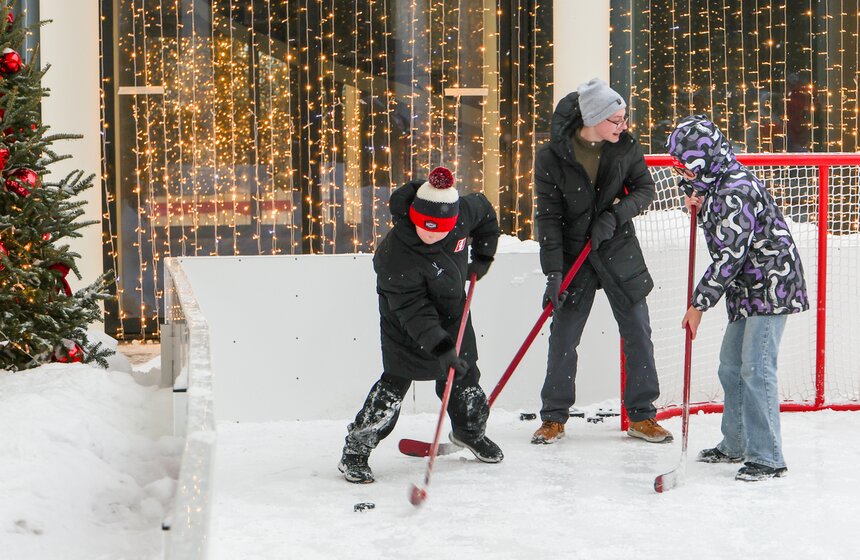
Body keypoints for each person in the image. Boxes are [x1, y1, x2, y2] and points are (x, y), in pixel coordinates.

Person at [338, 166, 504, 483]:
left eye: (440, 230)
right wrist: (441, 346)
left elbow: (485, 215)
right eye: (424, 228)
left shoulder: (463, 212)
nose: (430, 235)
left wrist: (482, 256)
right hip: (406, 324)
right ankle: (356, 450)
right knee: (394, 387)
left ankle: (470, 432)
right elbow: (413, 310)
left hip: (454, 311)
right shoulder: (394, 255)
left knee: (464, 379)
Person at [666, 114, 809, 482]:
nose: (680, 168)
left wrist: (698, 304)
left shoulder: (734, 187)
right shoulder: (714, 180)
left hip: (771, 285)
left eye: (684, 161)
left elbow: (731, 255)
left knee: (756, 368)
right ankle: (736, 443)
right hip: (748, 287)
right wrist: (696, 205)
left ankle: (767, 457)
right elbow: (724, 233)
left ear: (702, 156)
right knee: (731, 365)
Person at [531, 78, 672, 445]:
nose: (622, 126)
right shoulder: (551, 157)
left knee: (638, 332)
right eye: (616, 120)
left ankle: (643, 416)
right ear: (593, 118)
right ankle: (553, 417)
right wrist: (554, 273)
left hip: (618, 250)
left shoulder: (625, 148)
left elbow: (645, 190)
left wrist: (615, 215)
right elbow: (547, 217)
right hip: (574, 255)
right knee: (564, 336)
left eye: (624, 118)